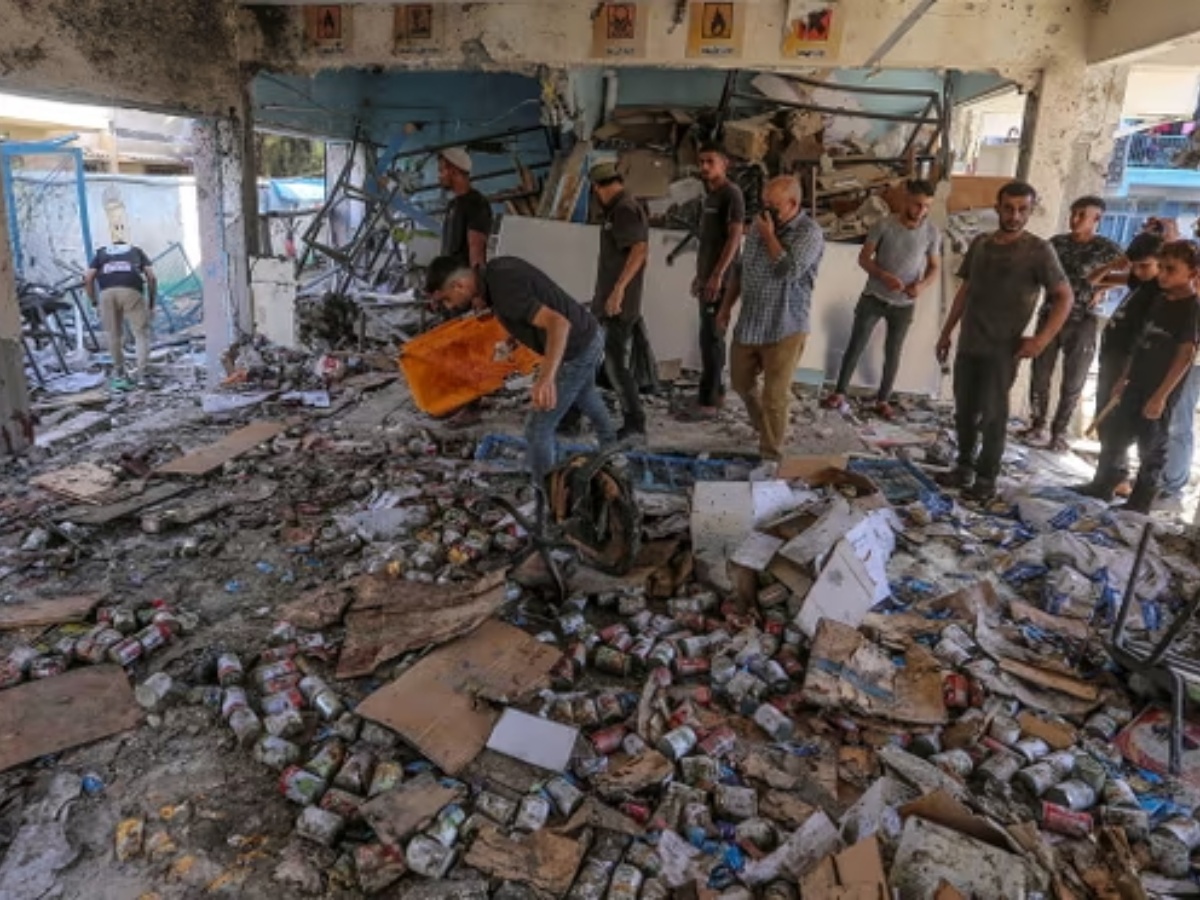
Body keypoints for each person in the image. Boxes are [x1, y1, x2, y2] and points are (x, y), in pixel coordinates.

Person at [424, 255, 616, 485]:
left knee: (537, 429)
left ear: (459, 285)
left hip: (577, 347)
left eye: (446, 299)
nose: (449, 307)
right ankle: (612, 449)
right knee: (586, 395)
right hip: (587, 334)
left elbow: (559, 324)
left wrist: (546, 378)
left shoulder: (504, 289)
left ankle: (545, 495)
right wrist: (512, 341)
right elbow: (530, 309)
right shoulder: (495, 272)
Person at [935, 181, 1072, 502]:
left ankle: (986, 480)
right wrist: (946, 332)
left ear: (1031, 211)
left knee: (993, 415)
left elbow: (1064, 296)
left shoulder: (1038, 251)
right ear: (997, 208)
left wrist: (1041, 340)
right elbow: (966, 290)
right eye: (1008, 208)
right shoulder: (981, 244)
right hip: (970, 342)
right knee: (964, 411)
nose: (1015, 216)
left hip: (1003, 348)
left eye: (1023, 209)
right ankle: (964, 467)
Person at [1076, 241, 1200, 513]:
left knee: (1151, 446)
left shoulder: (1192, 308)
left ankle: (1140, 501)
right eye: (1162, 268)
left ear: (1192, 273)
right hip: (1135, 382)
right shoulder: (1160, 300)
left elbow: (1185, 354)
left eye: (1171, 269)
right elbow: (1140, 342)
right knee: (1116, 433)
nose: (1162, 275)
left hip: (1158, 389)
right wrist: (1124, 377)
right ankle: (1104, 483)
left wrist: (1161, 396)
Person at [716, 176, 824, 474]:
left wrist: (768, 236)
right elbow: (741, 270)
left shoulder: (809, 232)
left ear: (793, 204)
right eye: (764, 203)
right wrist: (725, 308)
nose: (766, 211)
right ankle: (764, 426)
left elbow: (790, 270)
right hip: (751, 322)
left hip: (785, 326)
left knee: (775, 396)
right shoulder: (759, 225)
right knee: (741, 382)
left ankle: (770, 456)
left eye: (773, 206)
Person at [823, 179, 941, 419]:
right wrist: (882, 275)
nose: (922, 211)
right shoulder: (884, 224)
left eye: (927, 206)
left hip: (904, 304)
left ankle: (883, 399)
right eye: (917, 204)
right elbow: (864, 258)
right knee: (856, 345)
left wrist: (922, 286)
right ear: (906, 200)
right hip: (874, 296)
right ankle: (840, 392)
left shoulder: (931, 232)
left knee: (893, 352)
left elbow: (934, 267)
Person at [1020, 196, 1123, 451]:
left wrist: (1100, 288)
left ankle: (1059, 432)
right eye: (1073, 213)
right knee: (1040, 373)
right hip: (1051, 314)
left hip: (1082, 318)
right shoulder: (1057, 244)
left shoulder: (1107, 249)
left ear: (1096, 219)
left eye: (1082, 215)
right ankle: (1037, 425)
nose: (1074, 220)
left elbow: (1131, 275)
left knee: (1074, 379)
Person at [1088, 232, 1164, 496]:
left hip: (1127, 361)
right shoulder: (1139, 281)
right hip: (1113, 355)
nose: (1139, 271)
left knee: (1115, 422)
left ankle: (1111, 479)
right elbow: (1093, 280)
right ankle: (1109, 477)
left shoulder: (1159, 292)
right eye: (1135, 266)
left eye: (1145, 266)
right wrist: (1115, 265)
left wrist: (1127, 373)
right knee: (1105, 416)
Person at [680, 143, 744, 421]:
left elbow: (734, 237)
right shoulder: (711, 196)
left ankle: (709, 403)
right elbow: (708, 243)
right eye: (701, 162)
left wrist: (718, 275)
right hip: (708, 278)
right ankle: (715, 393)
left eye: (710, 161)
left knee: (712, 338)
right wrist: (701, 275)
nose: (704, 167)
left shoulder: (731, 194)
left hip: (722, 280)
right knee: (707, 337)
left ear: (724, 164)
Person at [589, 162, 650, 443]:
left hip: (618, 303)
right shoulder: (618, 208)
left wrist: (619, 290)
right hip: (609, 299)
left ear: (598, 187)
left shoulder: (624, 209)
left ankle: (635, 423)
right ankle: (576, 414)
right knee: (594, 358)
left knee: (615, 363)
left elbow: (639, 249)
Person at [84, 240, 157, 392]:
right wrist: (151, 303)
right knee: (140, 334)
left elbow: (88, 277)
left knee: (113, 335)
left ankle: (120, 374)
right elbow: (151, 277)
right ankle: (142, 376)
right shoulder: (136, 251)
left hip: (106, 293)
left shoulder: (101, 253)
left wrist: (94, 301)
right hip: (132, 291)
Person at [438, 147, 492, 270]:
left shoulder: (476, 203)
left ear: (454, 171)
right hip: (450, 275)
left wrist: (475, 279)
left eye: (441, 171)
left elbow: (476, 249)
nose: (439, 176)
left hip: (463, 277)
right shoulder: (452, 205)